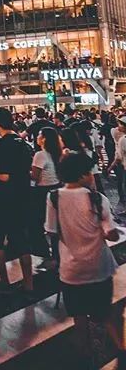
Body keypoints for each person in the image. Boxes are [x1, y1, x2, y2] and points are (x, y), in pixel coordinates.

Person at [45, 151, 125, 368]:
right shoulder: (97, 198)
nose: (92, 175)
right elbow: (111, 233)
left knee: (79, 315)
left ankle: (85, 352)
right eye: (89, 171)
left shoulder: (53, 197)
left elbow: (51, 230)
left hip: (71, 269)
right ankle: (120, 349)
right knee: (106, 312)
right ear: (81, 174)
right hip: (98, 266)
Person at [0, 107, 34, 295]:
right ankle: (29, 284)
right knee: (21, 240)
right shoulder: (22, 142)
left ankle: (4, 281)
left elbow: (4, 176)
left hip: (4, 199)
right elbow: (20, 170)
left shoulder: (3, 144)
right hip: (22, 196)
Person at [30, 126, 62, 267]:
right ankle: (57, 253)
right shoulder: (57, 153)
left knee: (38, 223)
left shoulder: (40, 155)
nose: (37, 137)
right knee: (55, 223)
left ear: (44, 139)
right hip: (57, 189)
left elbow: (35, 177)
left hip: (42, 192)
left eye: (39, 135)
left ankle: (44, 253)